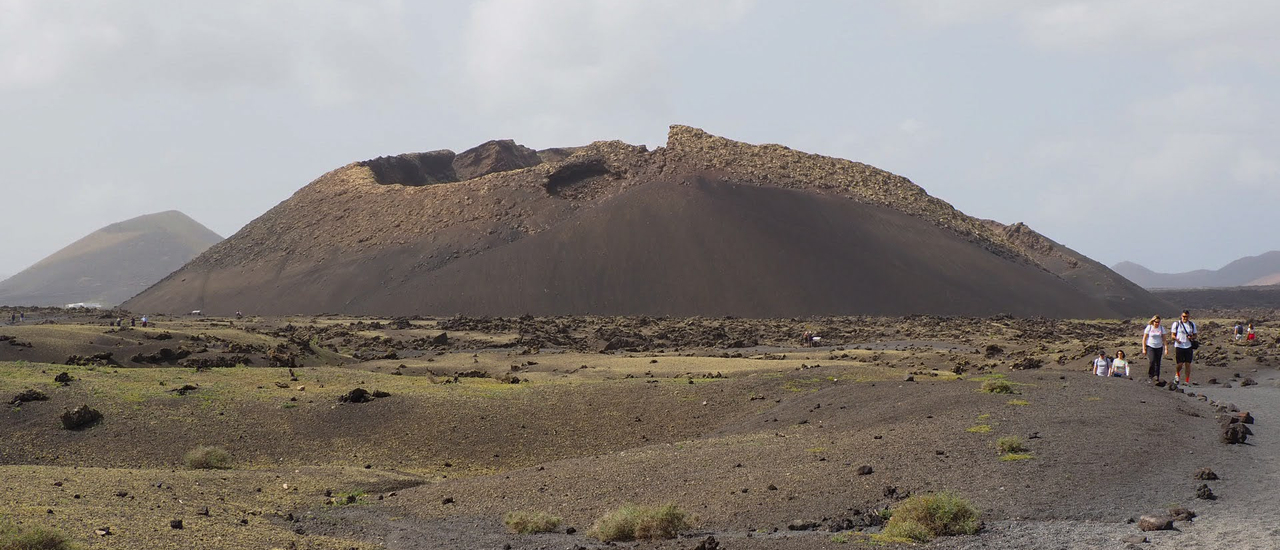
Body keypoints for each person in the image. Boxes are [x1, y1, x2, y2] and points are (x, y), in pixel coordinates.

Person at [1171, 310, 1198, 384]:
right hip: (1179, 346)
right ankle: (1177, 374)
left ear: (1189, 317)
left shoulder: (1192, 324)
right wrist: (1177, 339)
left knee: (1188, 364)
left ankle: (1187, 381)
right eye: (1183, 316)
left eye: (1186, 316)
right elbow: (1172, 335)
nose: (1185, 318)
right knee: (1179, 364)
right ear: (1181, 316)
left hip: (1188, 346)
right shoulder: (1176, 324)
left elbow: (1195, 335)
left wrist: (1192, 337)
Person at [1141, 315, 1169, 381]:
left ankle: (1157, 376)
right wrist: (1144, 348)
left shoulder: (1161, 328)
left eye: (1158, 322)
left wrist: (1166, 348)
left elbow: (1164, 339)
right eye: (1156, 322)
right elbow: (1144, 339)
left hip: (1159, 347)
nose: (1157, 323)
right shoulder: (1149, 327)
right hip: (1150, 346)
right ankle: (1151, 375)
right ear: (1153, 321)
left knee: (1158, 362)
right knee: (1152, 361)